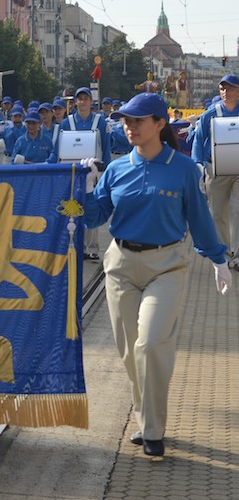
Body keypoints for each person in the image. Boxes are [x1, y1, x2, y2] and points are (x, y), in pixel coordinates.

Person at [82, 93, 229, 460]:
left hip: (166, 266)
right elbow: (94, 217)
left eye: (138, 120)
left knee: (150, 344)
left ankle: (152, 430)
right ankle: (145, 415)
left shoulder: (183, 169)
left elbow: (199, 218)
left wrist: (218, 259)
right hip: (120, 267)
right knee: (130, 351)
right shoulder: (117, 168)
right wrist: (85, 188)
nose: (130, 127)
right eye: (126, 121)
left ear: (160, 124)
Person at [51, 86, 111, 261]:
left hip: (93, 172)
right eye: (80, 99)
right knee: (72, 208)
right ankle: (74, 245)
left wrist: (105, 170)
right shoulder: (66, 123)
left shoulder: (100, 122)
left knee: (91, 207)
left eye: (86, 99)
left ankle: (91, 248)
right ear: (75, 102)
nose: (83, 102)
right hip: (72, 172)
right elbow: (58, 149)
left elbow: (106, 147)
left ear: (91, 102)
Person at [191, 74, 239, 269]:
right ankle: (224, 254)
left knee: (237, 211)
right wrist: (198, 165)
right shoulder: (210, 114)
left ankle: (237, 255)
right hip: (216, 169)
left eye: (231, 88)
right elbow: (198, 140)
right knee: (217, 213)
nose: (226, 92)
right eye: (223, 88)